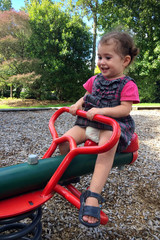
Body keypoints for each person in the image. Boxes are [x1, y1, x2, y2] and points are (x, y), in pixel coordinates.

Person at [59, 31, 140, 227]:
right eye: (99, 57)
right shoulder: (94, 80)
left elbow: (125, 108)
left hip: (112, 124)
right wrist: (77, 105)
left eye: (108, 57)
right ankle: (70, 173)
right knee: (63, 141)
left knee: (106, 148)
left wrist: (102, 110)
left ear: (125, 60)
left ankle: (93, 195)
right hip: (89, 122)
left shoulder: (127, 84)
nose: (101, 62)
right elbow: (86, 96)